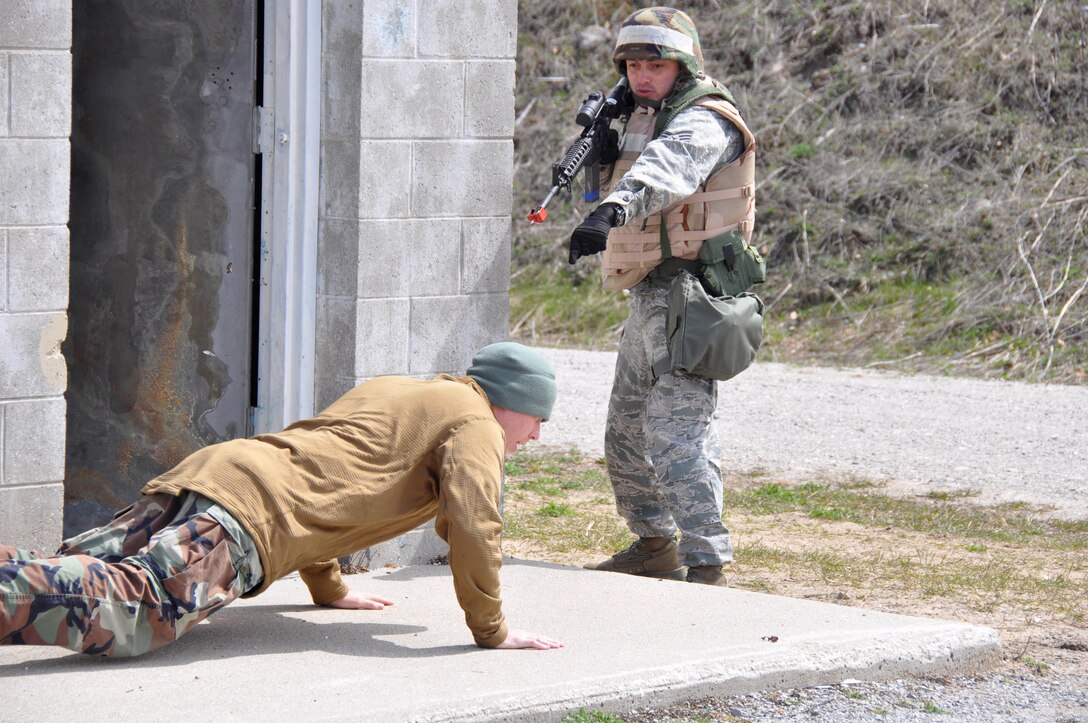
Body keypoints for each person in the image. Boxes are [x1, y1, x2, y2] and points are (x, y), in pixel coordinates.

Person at [0, 342, 564, 657]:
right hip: (247, 516)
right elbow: (475, 524)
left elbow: (328, 477)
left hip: (211, 473)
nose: (535, 435)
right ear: (510, 401)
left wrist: (329, 588)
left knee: (74, 573)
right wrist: (492, 630)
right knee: (134, 611)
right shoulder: (477, 426)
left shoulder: (401, 390)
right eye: (537, 418)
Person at [568, 7, 758, 587]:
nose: (643, 76)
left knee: (677, 432)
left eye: (657, 64)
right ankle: (653, 542)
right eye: (633, 65)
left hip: (694, 297)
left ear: (684, 65)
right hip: (649, 294)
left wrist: (614, 210)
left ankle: (706, 560)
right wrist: (599, 141)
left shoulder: (705, 120)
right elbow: (600, 180)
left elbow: (667, 170)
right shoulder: (637, 114)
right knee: (624, 429)